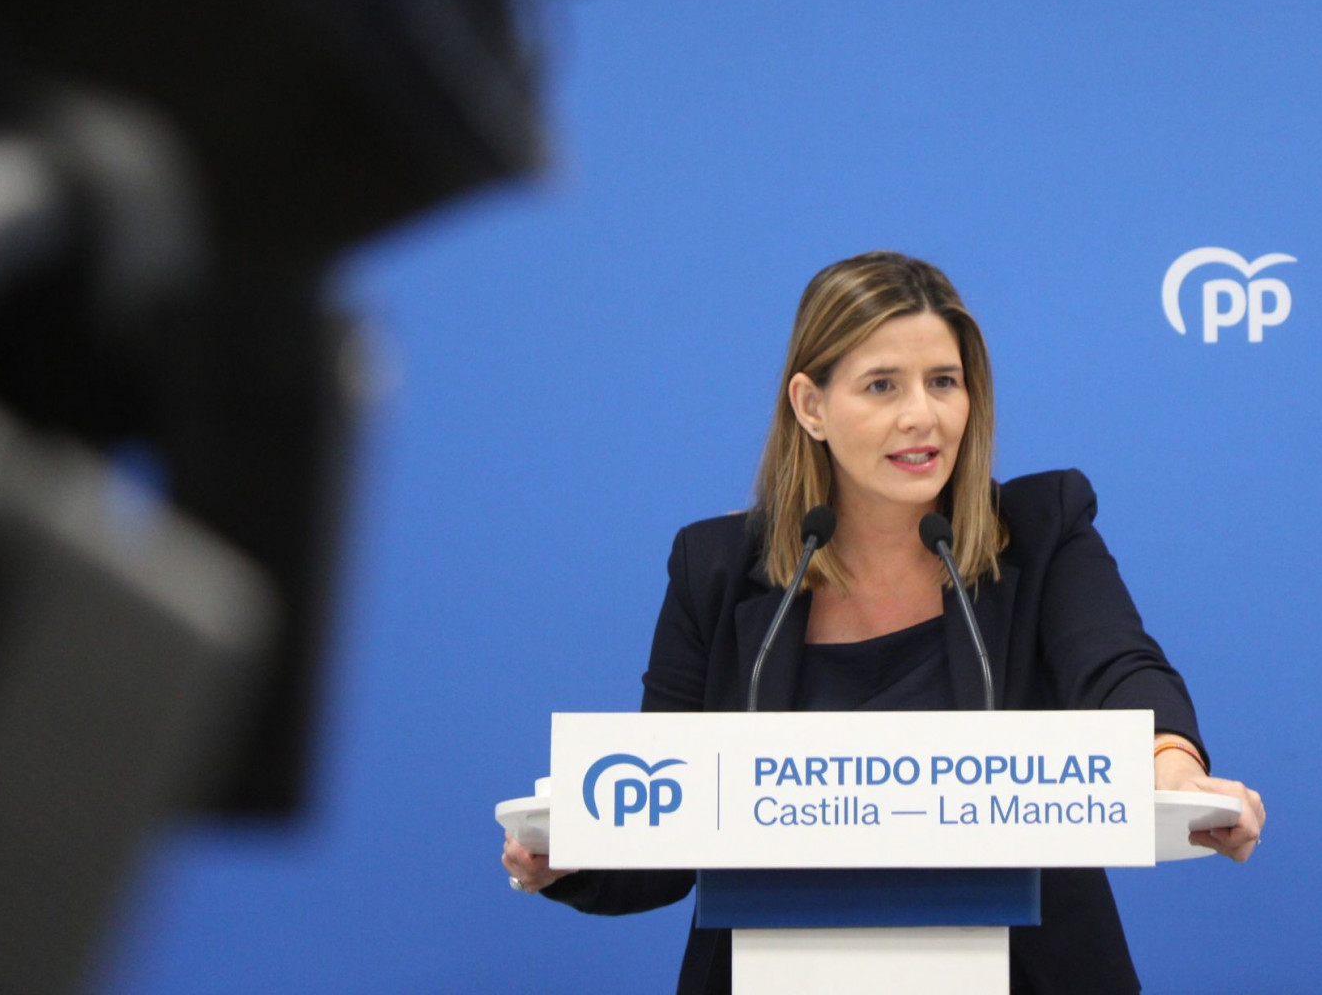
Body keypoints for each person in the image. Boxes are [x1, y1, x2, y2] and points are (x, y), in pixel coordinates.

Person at [503, 251, 1266, 993]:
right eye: (881, 385)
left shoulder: (1040, 529)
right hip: (775, 968)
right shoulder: (718, 569)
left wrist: (1171, 759)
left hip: (1024, 970)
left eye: (944, 382)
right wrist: (571, 852)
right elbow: (666, 815)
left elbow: (1117, 666)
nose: (922, 416)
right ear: (811, 406)